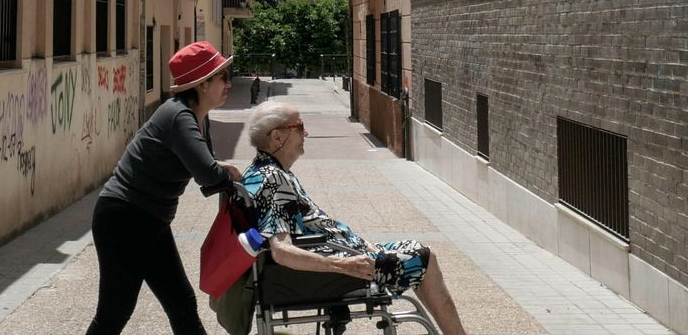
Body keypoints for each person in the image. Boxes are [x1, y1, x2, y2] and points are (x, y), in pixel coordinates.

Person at [239, 100, 469, 335]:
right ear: (277, 136)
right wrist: (344, 265)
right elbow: (281, 251)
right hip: (343, 269)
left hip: (345, 257)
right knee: (424, 258)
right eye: (299, 127)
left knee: (417, 254)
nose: (305, 133)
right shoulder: (273, 180)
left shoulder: (263, 171)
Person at [86, 41, 242, 335]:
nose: (228, 83)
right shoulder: (178, 116)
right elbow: (208, 173)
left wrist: (220, 172)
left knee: (181, 302)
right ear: (202, 84)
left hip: (150, 218)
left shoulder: (196, 116)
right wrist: (225, 173)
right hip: (124, 219)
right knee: (115, 311)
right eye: (222, 76)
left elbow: (205, 169)